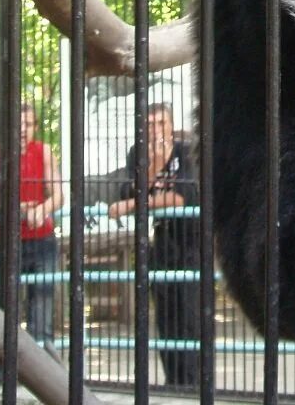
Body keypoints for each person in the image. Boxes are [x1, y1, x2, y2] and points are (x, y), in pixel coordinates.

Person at [108, 103, 200, 388]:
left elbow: (183, 195)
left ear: (171, 126)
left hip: (191, 242)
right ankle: (174, 382)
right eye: (149, 124)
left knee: (189, 316)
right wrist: (152, 168)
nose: (155, 129)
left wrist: (131, 205)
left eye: (161, 123)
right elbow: (128, 188)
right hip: (161, 242)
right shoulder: (138, 154)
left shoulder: (186, 152)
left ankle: (192, 383)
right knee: (165, 317)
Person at [0, 102, 64, 351]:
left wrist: (43, 209)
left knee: (42, 309)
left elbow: (58, 194)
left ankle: (45, 376)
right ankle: (4, 373)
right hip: (7, 240)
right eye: (18, 124)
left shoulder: (44, 152)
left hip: (43, 239)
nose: (23, 129)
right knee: (4, 309)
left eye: (29, 124)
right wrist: (18, 207)